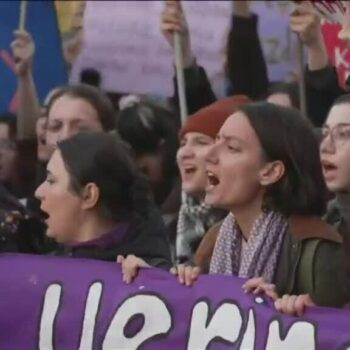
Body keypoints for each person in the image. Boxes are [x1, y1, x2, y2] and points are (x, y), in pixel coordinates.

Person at [173, 102, 348, 312]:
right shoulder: (214, 240)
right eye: (216, 141)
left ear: (270, 172)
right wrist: (156, 283)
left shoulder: (319, 251)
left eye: (231, 148)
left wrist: (282, 316)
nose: (210, 155)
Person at [35, 132, 172, 268]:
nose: (38, 192)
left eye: (51, 181)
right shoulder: (45, 269)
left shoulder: (150, 274)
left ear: (89, 195)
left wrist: (148, 283)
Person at [175, 95, 250, 265]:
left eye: (201, 142)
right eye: (183, 143)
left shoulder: (250, 227)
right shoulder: (170, 225)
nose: (185, 153)